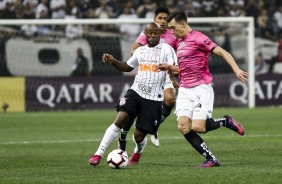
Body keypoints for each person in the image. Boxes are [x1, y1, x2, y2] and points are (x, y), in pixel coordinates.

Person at [158, 10, 249, 168]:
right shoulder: (178, 42)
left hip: (201, 87)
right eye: (170, 29)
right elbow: (183, 68)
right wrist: (169, 68)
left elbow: (222, 52)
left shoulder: (199, 38)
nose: (172, 32)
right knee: (183, 126)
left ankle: (225, 121)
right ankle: (211, 159)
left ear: (183, 24)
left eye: (173, 28)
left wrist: (236, 69)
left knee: (198, 127)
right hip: (185, 90)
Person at [88, 22, 177, 166]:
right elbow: (127, 67)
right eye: (150, 33)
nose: (153, 36)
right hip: (135, 92)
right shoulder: (140, 51)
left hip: (154, 99)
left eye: (155, 33)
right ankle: (98, 153)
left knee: (139, 135)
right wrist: (112, 61)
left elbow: (175, 68)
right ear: (145, 33)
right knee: (120, 119)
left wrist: (171, 74)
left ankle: (138, 151)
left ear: (160, 33)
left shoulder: (167, 49)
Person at [118, 7, 178, 150]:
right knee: (132, 111)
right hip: (147, 75)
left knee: (170, 99)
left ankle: (154, 128)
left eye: (165, 18)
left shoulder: (173, 35)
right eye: (160, 18)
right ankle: (123, 134)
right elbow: (136, 45)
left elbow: (180, 50)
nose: (163, 21)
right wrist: (134, 53)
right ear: (154, 19)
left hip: (165, 73)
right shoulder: (149, 32)